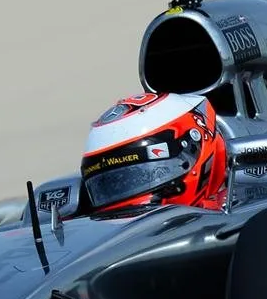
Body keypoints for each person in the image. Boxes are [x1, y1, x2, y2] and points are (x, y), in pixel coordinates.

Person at [79, 91, 229, 214]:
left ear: (191, 148)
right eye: (109, 186)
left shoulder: (242, 209)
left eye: (142, 176)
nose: (124, 203)